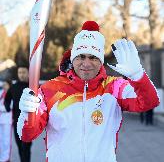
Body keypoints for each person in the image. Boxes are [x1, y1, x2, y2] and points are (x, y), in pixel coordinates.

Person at [17, 21, 159, 162]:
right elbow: (26, 135)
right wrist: (26, 114)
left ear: (101, 61)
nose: (86, 63)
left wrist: (138, 76)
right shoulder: (50, 90)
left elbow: (150, 102)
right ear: (72, 58)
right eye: (81, 56)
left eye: (93, 57)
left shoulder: (114, 87)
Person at [4, 66, 32, 162]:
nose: (21, 74)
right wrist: (7, 107)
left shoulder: (32, 86)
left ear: (28, 73)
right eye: (20, 72)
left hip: (29, 123)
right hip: (16, 121)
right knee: (20, 147)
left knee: (26, 147)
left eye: (24, 72)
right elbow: (7, 99)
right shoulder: (14, 87)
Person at [0, 80, 12, 162]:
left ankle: (6, 158)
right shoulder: (1, 93)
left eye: (5, 85)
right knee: (1, 140)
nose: (4, 86)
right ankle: (2, 157)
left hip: (8, 120)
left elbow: (8, 107)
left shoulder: (11, 94)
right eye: (3, 85)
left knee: (6, 140)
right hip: (1, 120)